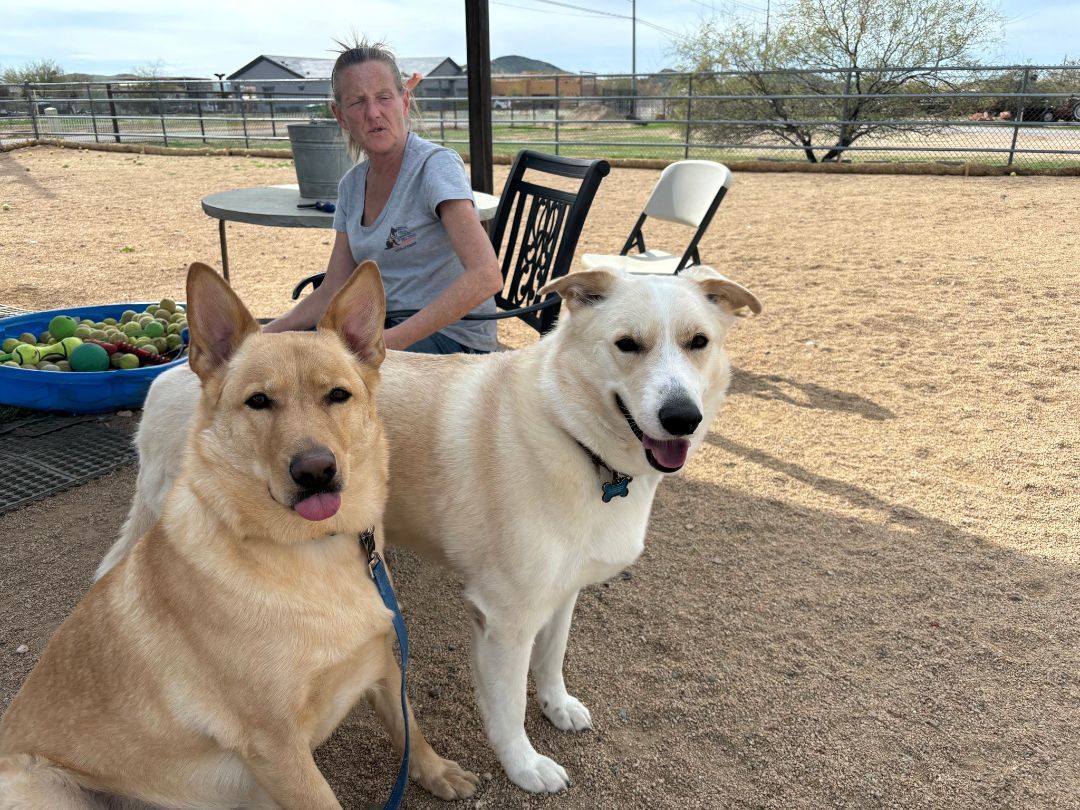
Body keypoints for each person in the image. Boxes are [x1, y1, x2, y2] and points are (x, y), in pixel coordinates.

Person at [264, 39, 503, 354]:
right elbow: (332, 289)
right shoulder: (351, 186)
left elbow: (486, 276)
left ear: (404, 103)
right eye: (358, 102)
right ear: (340, 115)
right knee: (282, 357)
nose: (373, 112)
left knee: (318, 376)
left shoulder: (434, 166)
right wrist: (260, 335)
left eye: (384, 97)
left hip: (454, 341)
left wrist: (387, 344)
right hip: (384, 329)